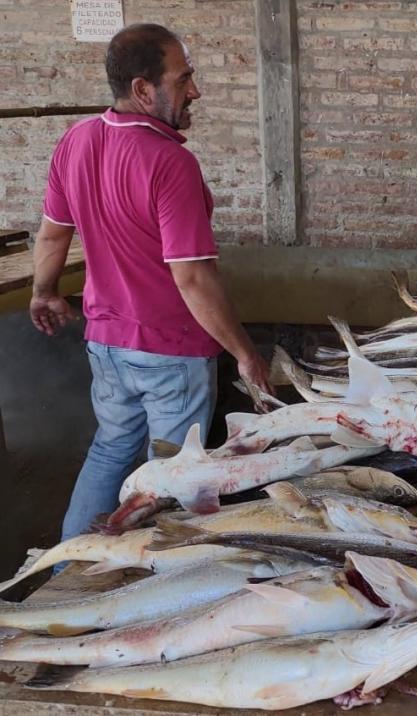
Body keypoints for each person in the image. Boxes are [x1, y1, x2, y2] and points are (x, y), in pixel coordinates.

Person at [29, 23, 272, 540]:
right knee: (173, 472)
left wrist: (44, 293)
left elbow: (52, 238)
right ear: (144, 89)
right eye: (184, 79)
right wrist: (246, 354)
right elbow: (191, 276)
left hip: (106, 344)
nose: (195, 91)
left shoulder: (75, 141)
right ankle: (152, 581)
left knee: (111, 448)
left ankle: (69, 564)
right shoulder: (170, 162)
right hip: (171, 352)